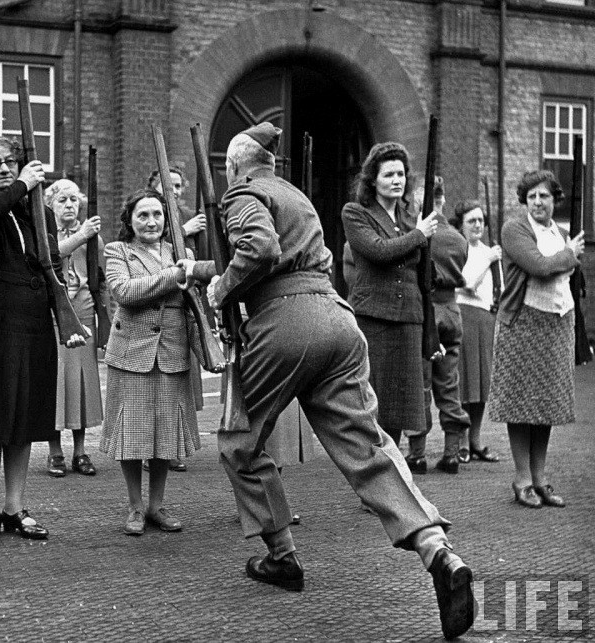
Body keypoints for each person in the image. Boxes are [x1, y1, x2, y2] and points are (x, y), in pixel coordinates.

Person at [184, 123, 475, 640]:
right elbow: (277, 252)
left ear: (233, 167)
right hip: (338, 322)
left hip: (284, 324)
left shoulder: (242, 193)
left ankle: (282, 557)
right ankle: (437, 551)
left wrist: (220, 290)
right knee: (368, 447)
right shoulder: (295, 195)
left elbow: (258, 251)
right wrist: (207, 269)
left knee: (238, 441)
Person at [0, 135, 86, 546]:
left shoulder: (35, 212)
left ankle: (14, 507)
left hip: (29, 322)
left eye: (10, 161)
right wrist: (23, 184)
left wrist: (68, 320)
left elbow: (51, 265)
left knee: (23, 417)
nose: (5, 168)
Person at [100, 188, 201, 536]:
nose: (151, 222)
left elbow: (195, 303)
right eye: (142, 215)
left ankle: (156, 505)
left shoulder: (182, 252)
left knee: (163, 432)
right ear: (129, 220)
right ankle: (134, 506)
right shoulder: (118, 252)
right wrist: (176, 274)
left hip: (172, 349)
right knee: (133, 432)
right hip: (132, 352)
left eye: (157, 214)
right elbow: (125, 292)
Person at [488, 169, 584, 509]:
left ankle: (541, 479)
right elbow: (539, 266)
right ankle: (522, 479)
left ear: (554, 199)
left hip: (558, 324)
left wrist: (566, 257)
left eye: (544, 196)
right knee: (521, 403)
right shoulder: (514, 229)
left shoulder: (560, 231)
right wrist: (568, 256)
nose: (538, 202)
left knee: (545, 405)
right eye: (532, 197)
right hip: (523, 323)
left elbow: (564, 269)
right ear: (524, 201)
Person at [341, 143, 438, 463]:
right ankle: (373, 474)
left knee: (398, 404)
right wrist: (419, 236)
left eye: (401, 174)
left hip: (409, 318)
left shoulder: (412, 218)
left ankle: (392, 475)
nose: (396, 180)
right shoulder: (356, 214)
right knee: (374, 402)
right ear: (373, 180)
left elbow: (425, 274)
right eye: (388, 174)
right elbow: (378, 250)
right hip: (375, 317)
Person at [406, 177, 471, 474]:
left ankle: (417, 454)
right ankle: (452, 453)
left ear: (420, 200)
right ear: (443, 201)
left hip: (426, 310)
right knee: (449, 382)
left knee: (420, 383)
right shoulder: (459, 239)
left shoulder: (417, 234)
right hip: (452, 310)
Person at [43, 178, 106, 478]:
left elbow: (101, 278)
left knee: (81, 379)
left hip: (83, 310)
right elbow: (51, 256)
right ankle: (55, 451)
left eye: (73, 200)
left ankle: (80, 450)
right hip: (53, 311)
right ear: (50, 205)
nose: (69, 205)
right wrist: (82, 234)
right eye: (61, 200)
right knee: (55, 381)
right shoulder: (45, 235)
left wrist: (108, 318)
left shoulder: (92, 237)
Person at [147, 166, 207, 472]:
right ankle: (150, 448)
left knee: (177, 385)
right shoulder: (147, 213)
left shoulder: (186, 213)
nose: (175, 191)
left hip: (186, 304)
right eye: (168, 185)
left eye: (179, 185)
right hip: (156, 309)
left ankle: (171, 445)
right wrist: (184, 230)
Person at [452, 199, 502, 464]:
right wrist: (489, 259)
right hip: (464, 316)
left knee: (481, 383)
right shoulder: (460, 248)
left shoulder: (488, 250)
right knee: (464, 381)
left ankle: (476, 440)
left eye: (481, 220)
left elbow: (498, 288)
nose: (478, 225)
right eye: (472, 221)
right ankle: (461, 441)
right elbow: (468, 283)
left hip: (485, 318)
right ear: (461, 225)